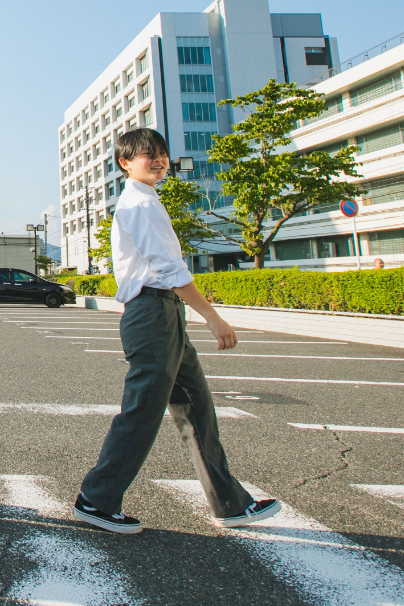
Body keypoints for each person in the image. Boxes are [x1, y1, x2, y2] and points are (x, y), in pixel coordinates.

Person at [73, 128, 280, 534]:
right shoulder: (139, 204)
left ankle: (230, 503)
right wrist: (212, 316)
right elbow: (169, 269)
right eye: (148, 154)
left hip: (162, 313)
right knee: (144, 410)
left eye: (162, 153)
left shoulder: (147, 200)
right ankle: (96, 499)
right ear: (125, 163)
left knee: (195, 406)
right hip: (152, 312)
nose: (160, 160)